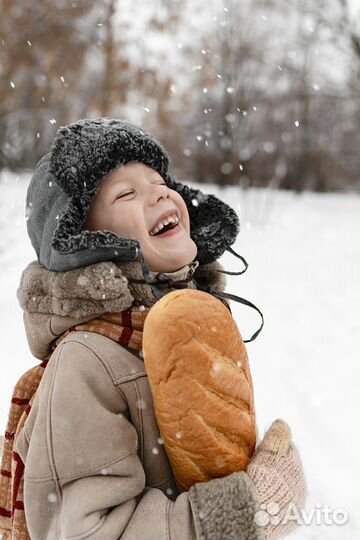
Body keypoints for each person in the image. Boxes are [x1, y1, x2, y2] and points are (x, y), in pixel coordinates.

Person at [1, 118, 306, 540]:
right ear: (84, 244)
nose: (161, 192)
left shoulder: (188, 327)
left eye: (160, 181)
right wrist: (249, 509)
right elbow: (91, 531)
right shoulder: (88, 361)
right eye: (126, 192)